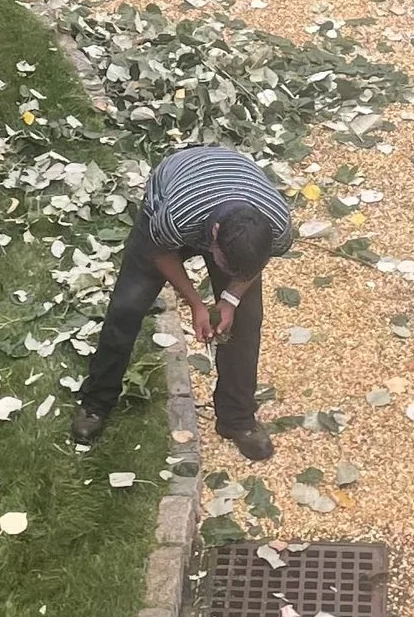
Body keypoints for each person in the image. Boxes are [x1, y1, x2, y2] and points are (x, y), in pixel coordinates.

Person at [71, 139, 295, 458]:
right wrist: (195, 303)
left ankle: (237, 418)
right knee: (126, 307)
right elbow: (160, 255)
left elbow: (252, 267)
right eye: (223, 263)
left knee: (246, 320)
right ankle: (96, 403)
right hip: (179, 189)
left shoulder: (278, 226)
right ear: (213, 235)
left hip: (232, 200)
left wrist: (230, 299)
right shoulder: (176, 214)